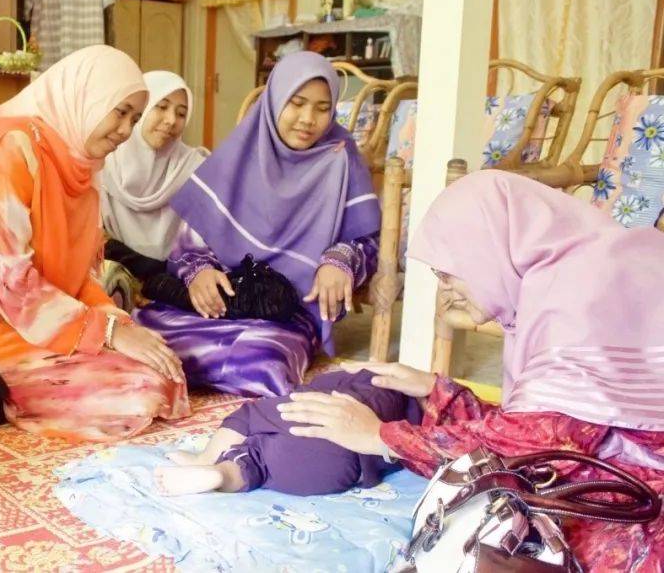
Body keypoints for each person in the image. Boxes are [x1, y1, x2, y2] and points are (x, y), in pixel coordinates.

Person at [276, 170, 664, 572]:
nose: (445, 290)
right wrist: (438, 391)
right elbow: (558, 426)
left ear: (486, 250)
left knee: (533, 540)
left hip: (649, 495)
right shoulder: (573, 277)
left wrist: (380, 436)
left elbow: (533, 449)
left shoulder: (579, 303)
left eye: (447, 273)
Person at [0, 45, 190, 442]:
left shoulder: (84, 165)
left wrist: (120, 326)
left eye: (134, 119)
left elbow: (83, 278)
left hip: (50, 320)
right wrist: (107, 334)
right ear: (86, 96)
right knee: (139, 388)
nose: (125, 131)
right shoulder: (12, 147)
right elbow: (11, 282)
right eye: (120, 112)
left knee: (165, 369)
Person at [134, 52, 381, 398]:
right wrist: (199, 272)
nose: (308, 119)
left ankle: (188, 370)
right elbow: (192, 240)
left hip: (286, 312)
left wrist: (339, 259)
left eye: (323, 108)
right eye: (296, 103)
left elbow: (368, 240)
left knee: (264, 361)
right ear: (275, 100)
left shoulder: (341, 157)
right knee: (142, 335)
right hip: (222, 301)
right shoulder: (239, 154)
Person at [153, 369, 420, 497]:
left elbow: (309, 394)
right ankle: (221, 475)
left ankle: (207, 461)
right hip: (343, 469)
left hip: (330, 423)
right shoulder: (425, 429)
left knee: (250, 420)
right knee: (264, 460)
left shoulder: (373, 380)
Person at [99, 71, 207, 309]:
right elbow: (95, 239)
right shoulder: (103, 164)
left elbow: (205, 241)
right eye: (161, 107)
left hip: (180, 282)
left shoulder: (194, 168)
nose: (171, 120)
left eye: (181, 113)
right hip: (117, 278)